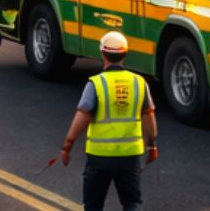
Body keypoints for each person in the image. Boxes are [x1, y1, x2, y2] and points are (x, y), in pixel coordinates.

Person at [57, 30, 158, 210]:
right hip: (129, 157)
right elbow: (149, 116)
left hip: (99, 157)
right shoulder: (139, 82)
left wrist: (67, 147)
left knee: (93, 205)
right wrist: (152, 146)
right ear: (125, 54)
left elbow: (82, 116)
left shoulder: (96, 83)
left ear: (102, 53)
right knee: (132, 203)